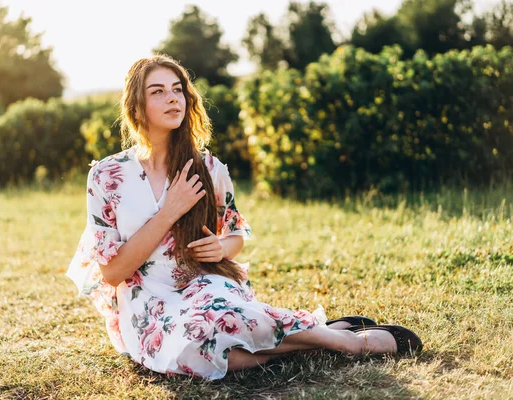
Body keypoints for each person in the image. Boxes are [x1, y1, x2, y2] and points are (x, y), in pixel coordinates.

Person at [66, 54, 422, 380]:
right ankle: (326, 334)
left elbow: (236, 235)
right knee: (198, 348)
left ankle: (352, 344)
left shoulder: (208, 168)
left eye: (178, 89)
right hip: (147, 301)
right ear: (136, 106)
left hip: (203, 284)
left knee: (219, 321)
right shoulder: (107, 176)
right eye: (157, 91)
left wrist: (220, 249)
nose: (173, 98)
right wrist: (170, 209)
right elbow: (113, 272)